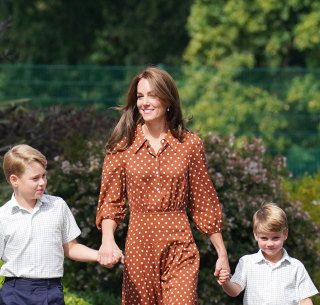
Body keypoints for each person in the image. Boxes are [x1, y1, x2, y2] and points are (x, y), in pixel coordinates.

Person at [95, 66, 229, 305]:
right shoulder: (122, 146)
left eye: (152, 95)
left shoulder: (190, 144)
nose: (144, 102)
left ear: (168, 101)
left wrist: (222, 252)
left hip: (180, 246)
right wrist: (108, 239)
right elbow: (111, 202)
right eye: (140, 96)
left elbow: (203, 201)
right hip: (139, 245)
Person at [0, 144, 101, 305]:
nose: (42, 182)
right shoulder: (3, 216)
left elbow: (71, 247)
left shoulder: (57, 206)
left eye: (44, 176)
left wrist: (99, 255)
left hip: (51, 290)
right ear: (14, 180)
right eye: (35, 178)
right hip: (15, 293)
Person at [218, 202, 318, 305]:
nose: (270, 243)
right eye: (264, 238)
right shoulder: (247, 262)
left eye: (275, 238)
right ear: (256, 235)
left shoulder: (296, 266)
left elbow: (305, 300)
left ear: (285, 234)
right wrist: (226, 282)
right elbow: (235, 290)